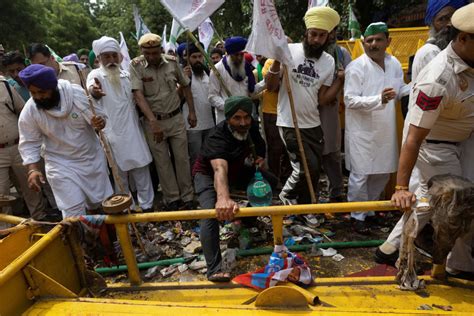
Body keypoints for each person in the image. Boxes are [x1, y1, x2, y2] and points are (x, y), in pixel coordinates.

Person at [376, 0, 469, 262]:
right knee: (458, 201)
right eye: (443, 19)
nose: (447, 25)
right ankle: (459, 263)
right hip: (434, 143)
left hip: (456, 142)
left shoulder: (465, 60)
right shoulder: (436, 67)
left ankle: (389, 248)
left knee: (426, 200)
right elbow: (416, 132)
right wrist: (400, 185)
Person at [266, 6, 344, 208]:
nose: (316, 39)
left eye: (321, 35)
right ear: (306, 34)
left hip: (313, 124)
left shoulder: (328, 61)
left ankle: (307, 208)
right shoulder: (289, 51)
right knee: (303, 168)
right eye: (313, 34)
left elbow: (322, 99)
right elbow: (271, 87)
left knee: (315, 169)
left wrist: (339, 82)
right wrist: (277, 58)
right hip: (289, 122)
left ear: (328, 37)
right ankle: (285, 198)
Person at [17, 64, 113, 218]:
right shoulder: (31, 110)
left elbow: (100, 118)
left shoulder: (76, 94)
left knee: (102, 205)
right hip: (59, 163)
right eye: (33, 93)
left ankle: (106, 240)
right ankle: (79, 241)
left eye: (42, 92)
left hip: (90, 158)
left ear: (53, 87)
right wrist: (33, 169)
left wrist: (99, 123)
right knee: (72, 211)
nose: (38, 97)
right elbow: (29, 141)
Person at [193, 96, 269, 282]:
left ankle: (246, 220)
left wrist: (259, 160)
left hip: (238, 169)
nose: (242, 123)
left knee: (269, 184)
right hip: (208, 175)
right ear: (227, 119)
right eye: (237, 118)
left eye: (246, 117)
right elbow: (220, 169)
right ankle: (214, 268)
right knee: (210, 213)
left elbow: (260, 149)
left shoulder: (251, 128)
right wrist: (223, 199)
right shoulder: (216, 136)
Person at [344, 23, 410, 234]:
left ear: (388, 42)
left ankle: (369, 211)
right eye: (369, 41)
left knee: (382, 173)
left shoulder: (394, 65)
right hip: (361, 131)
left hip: (386, 129)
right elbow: (349, 100)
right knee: (361, 175)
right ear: (364, 43)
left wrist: (417, 86)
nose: (373, 44)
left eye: (378, 40)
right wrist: (377, 99)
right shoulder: (356, 67)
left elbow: (400, 91)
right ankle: (356, 217)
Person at [130, 33, 197, 211]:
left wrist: (191, 111)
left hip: (175, 118)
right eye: (147, 53)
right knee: (162, 161)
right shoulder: (136, 66)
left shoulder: (172, 62)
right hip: (154, 122)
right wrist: (153, 122)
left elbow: (185, 86)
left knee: (182, 158)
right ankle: (172, 198)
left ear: (160, 50)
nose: (151, 57)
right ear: (141, 51)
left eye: (154, 52)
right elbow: (138, 95)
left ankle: (188, 196)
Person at [88, 36, 154, 212]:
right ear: (99, 58)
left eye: (113, 56)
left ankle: (147, 207)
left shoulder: (125, 74)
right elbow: (91, 90)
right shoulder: (95, 76)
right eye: (106, 57)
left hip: (133, 131)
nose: (111, 60)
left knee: (141, 170)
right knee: (120, 176)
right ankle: (126, 209)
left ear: (119, 56)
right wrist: (94, 92)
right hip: (113, 135)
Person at [0, 74, 48, 227]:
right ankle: (7, 232)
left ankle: (39, 222)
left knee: (30, 187)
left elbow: (23, 111)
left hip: (17, 145)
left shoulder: (5, 86)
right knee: (1, 195)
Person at [320, 27, 352, 203]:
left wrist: (338, 93)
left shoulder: (342, 53)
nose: (329, 36)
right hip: (310, 108)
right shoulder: (309, 53)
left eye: (331, 32)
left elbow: (351, 76)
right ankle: (310, 195)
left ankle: (336, 191)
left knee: (332, 151)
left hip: (332, 109)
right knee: (312, 153)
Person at [181, 42, 215, 168]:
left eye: (200, 57)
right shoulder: (182, 74)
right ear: (188, 58)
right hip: (193, 126)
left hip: (210, 123)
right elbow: (177, 98)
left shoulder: (208, 73)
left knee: (210, 155)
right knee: (196, 157)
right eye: (194, 57)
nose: (197, 60)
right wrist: (184, 79)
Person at [209, 36, 256, 123]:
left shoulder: (246, 67)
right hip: (226, 118)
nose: (239, 58)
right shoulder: (217, 70)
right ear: (229, 54)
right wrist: (229, 107)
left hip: (245, 118)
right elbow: (212, 97)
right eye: (236, 55)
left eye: (241, 54)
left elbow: (250, 90)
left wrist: (265, 83)